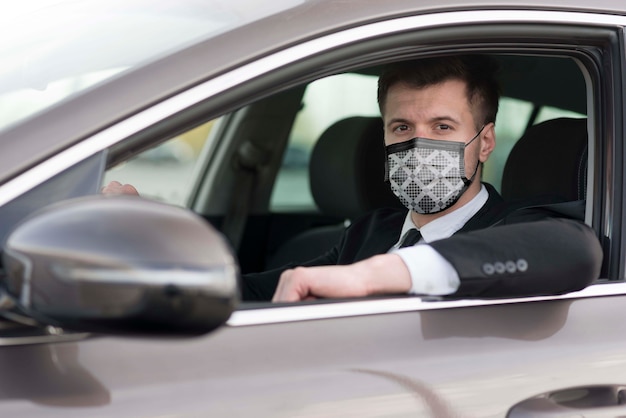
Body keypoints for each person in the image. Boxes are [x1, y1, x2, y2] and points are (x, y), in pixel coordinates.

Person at [104, 55, 603, 303]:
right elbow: (258, 291)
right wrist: (153, 238)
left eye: (443, 128)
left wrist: (370, 276)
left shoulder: (517, 222)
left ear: (486, 142)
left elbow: (574, 250)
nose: (419, 144)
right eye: (402, 127)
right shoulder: (369, 232)